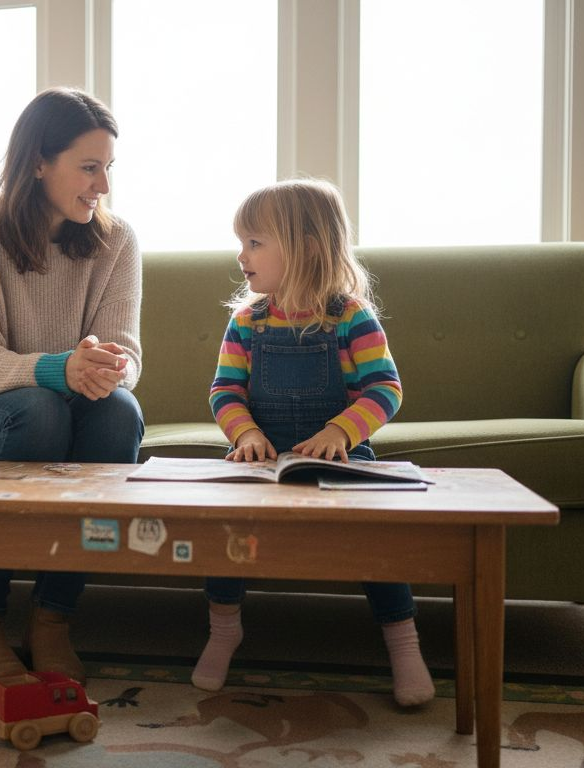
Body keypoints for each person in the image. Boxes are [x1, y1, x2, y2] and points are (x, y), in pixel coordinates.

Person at [0, 87, 144, 689]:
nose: (103, 185)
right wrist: (58, 368)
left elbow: (128, 353)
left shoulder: (117, 241)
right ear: (39, 161)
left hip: (63, 396)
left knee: (120, 414)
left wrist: (105, 366)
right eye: (89, 167)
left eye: (108, 168)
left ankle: (52, 618)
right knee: (39, 412)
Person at [192, 178, 434, 707]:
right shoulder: (246, 322)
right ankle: (224, 628)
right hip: (259, 456)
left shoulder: (351, 317)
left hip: (338, 455)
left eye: (254, 243)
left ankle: (403, 642)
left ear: (305, 245)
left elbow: (385, 389)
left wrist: (339, 432)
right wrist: (246, 433)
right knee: (220, 523)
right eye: (242, 243)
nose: (241, 257)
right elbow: (225, 391)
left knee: (376, 533)